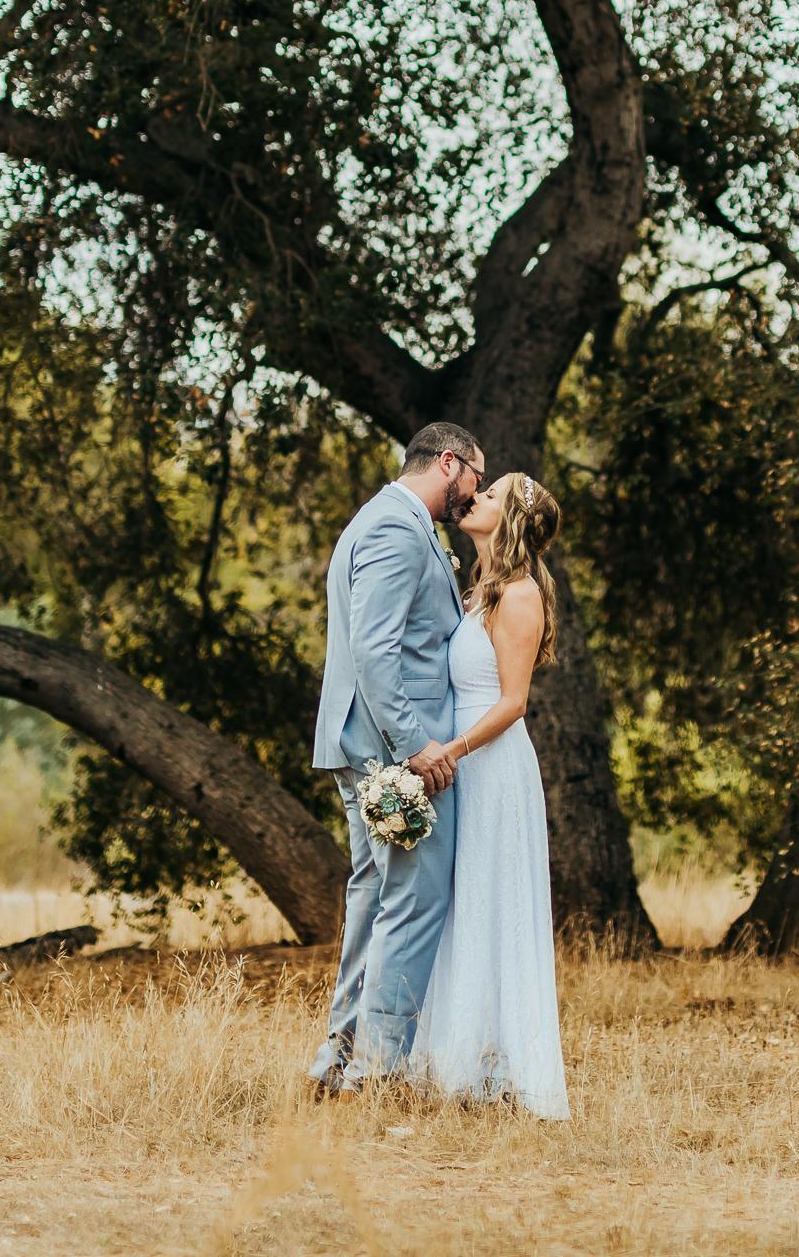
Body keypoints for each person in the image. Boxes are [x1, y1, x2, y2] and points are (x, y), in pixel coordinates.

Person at [307, 423, 481, 1096]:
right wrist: (412, 744)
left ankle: (339, 1060)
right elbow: (375, 650)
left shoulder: (392, 521)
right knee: (415, 899)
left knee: (376, 898)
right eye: (474, 477)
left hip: (372, 744)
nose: (474, 494)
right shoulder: (394, 528)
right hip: (393, 752)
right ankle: (377, 1070)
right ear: (448, 462)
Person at [411, 470, 570, 1119]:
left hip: (491, 766)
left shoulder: (521, 595)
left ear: (510, 521)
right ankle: (457, 1063)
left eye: (493, 494)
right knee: (461, 903)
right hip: (462, 763)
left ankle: (500, 1071)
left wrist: (451, 750)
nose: (475, 496)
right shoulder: (481, 590)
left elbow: (513, 702)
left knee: (490, 900)